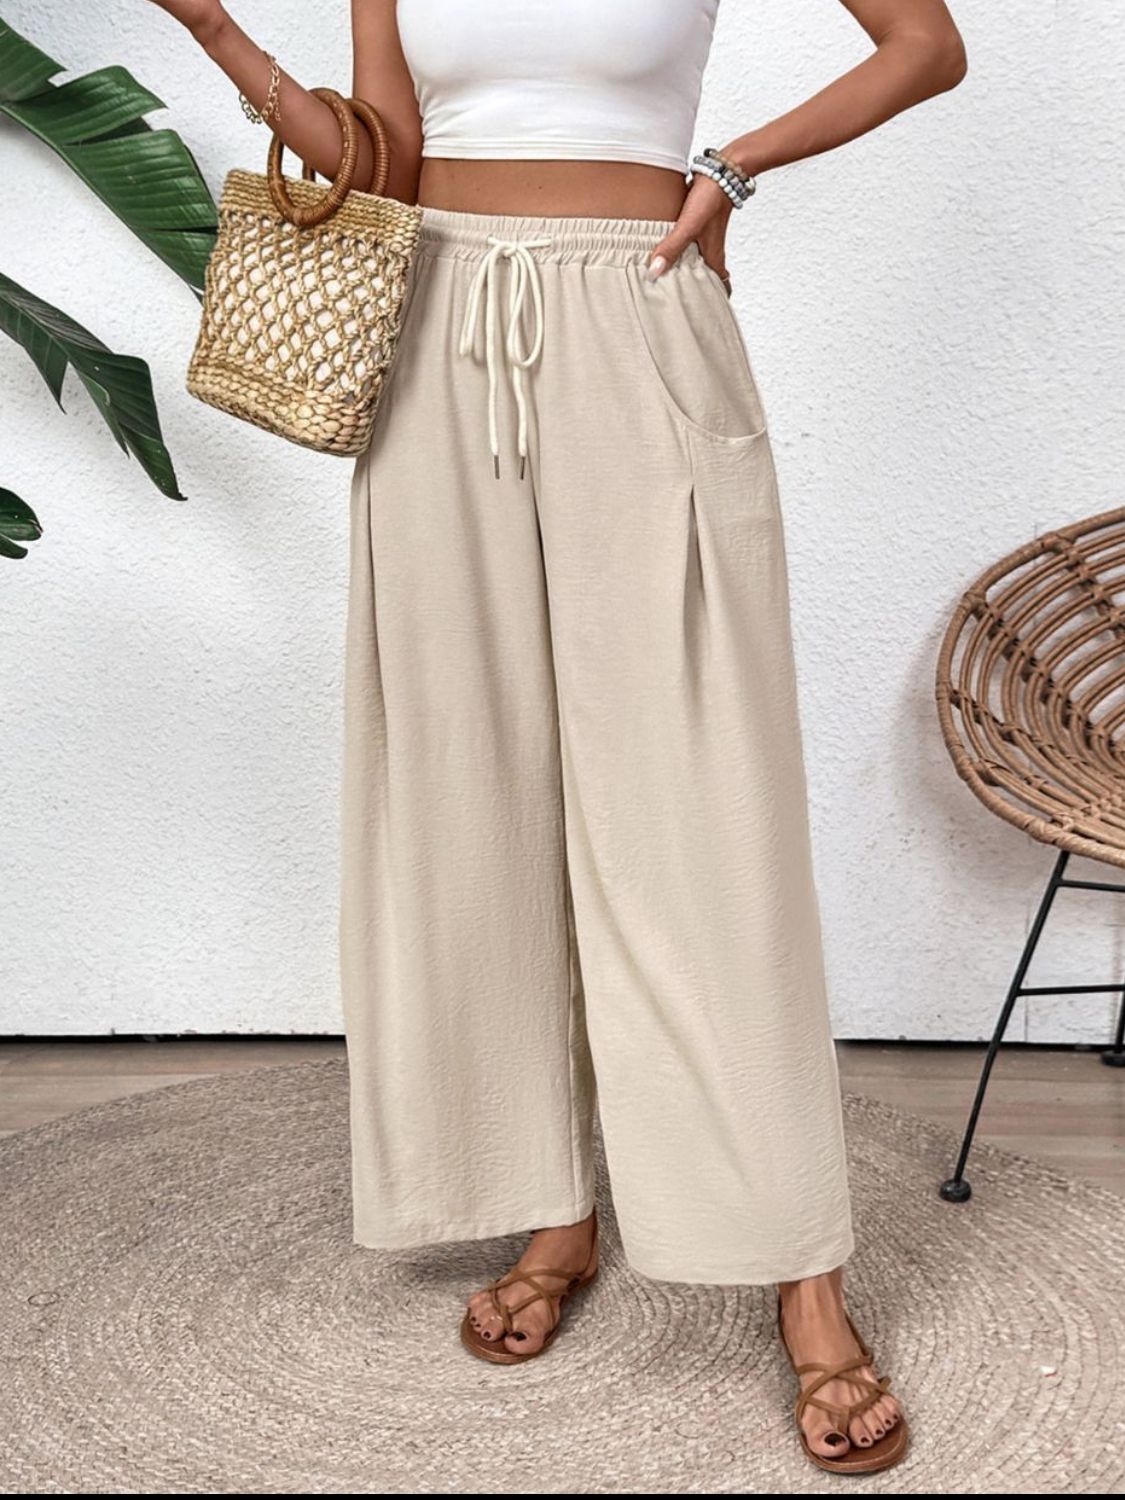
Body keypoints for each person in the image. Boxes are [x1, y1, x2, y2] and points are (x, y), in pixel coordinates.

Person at [150, 0, 966, 1475]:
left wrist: (731, 168)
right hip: (434, 331)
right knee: (469, 790)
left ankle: (804, 1273)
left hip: (637, 309)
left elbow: (924, 43)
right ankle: (553, 1211)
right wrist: (211, 26)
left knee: (701, 804)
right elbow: (385, 164)